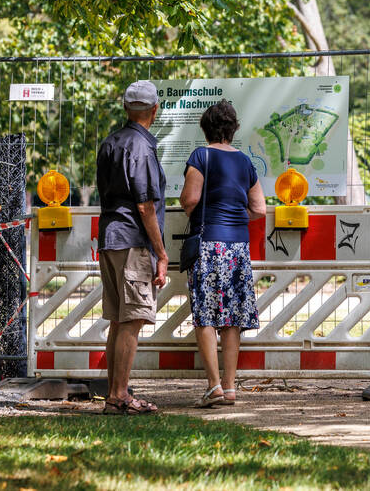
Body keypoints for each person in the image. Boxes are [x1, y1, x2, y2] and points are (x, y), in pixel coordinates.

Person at [180, 99, 266, 407]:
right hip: (238, 247)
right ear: (233, 129)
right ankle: (230, 387)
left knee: (205, 315)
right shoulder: (245, 162)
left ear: (205, 129)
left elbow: (190, 199)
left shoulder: (201, 156)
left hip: (209, 244)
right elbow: (259, 208)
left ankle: (213, 386)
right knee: (231, 319)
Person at [95, 80, 168, 415]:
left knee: (118, 319)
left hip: (110, 235)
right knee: (132, 320)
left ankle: (114, 393)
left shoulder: (110, 143)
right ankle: (120, 395)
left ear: (126, 108)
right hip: (132, 240)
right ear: (154, 110)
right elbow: (145, 206)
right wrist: (161, 253)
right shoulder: (142, 148)